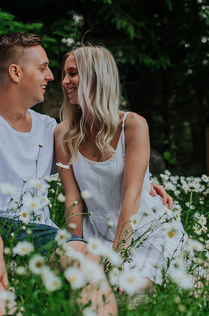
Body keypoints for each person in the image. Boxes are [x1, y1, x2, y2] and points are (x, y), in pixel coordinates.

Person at [0, 33, 169, 316]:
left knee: (82, 253)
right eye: (44, 68)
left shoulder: (49, 129)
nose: (51, 77)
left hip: (38, 234)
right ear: (15, 73)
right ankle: (4, 308)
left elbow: (94, 165)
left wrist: (147, 183)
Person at [55, 45, 189, 293]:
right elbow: (73, 202)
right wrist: (75, 249)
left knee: (129, 294)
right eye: (64, 74)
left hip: (146, 230)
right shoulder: (63, 133)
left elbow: (132, 196)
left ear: (96, 77)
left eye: (73, 73)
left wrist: (119, 259)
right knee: (92, 293)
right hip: (97, 234)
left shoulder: (133, 125)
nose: (64, 81)